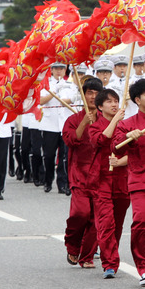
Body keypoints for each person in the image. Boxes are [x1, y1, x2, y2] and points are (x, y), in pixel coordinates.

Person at [112, 78, 145, 287]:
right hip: (140, 181)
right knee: (143, 222)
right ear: (137, 99)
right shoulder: (127, 124)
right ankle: (143, 267)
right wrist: (128, 136)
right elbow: (116, 148)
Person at [88, 89, 130, 279]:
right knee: (106, 224)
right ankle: (110, 263)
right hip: (102, 181)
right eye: (109, 102)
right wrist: (115, 121)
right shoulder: (94, 126)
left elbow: (137, 152)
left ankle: (110, 254)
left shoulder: (127, 126)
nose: (114, 104)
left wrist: (122, 161)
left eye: (116, 101)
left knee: (118, 224)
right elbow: (101, 140)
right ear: (100, 107)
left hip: (123, 180)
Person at [62, 77, 103, 268]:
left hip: (101, 175)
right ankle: (72, 246)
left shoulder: (107, 120)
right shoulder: (73, 120)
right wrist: (84, 124)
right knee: (80, 213)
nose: (93, 97)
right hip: (79, 174)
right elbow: (71, 141)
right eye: (89, 93)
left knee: (96, 218)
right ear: (83, 95)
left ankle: (87, 256)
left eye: (96, 93)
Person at [39, 62, 71, 193]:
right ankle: (48, 180)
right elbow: (41, 101)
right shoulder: (46, 84)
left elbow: (70, 100)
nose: (59, 71)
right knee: (49, 155)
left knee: (64, 155)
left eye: (62, 69)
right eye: (56, 69)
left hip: (64, 124)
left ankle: (62, 183)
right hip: (49, 124)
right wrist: (54, 91)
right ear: (51, 70)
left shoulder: (70, 84)